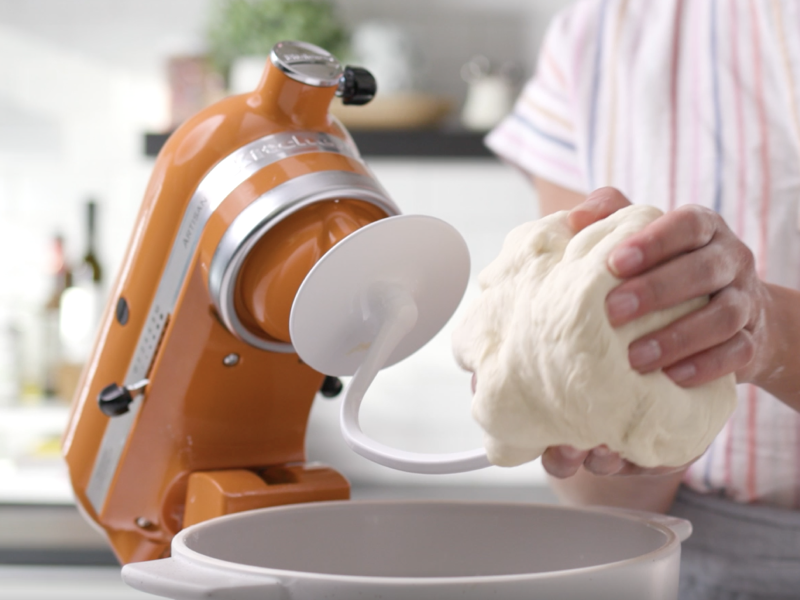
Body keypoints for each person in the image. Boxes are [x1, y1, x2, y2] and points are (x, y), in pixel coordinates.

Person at [484, 1, 800, 597]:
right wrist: (612, 426)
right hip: (693, 563)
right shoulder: (601, 32)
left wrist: (771, 333)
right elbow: (601, 498)